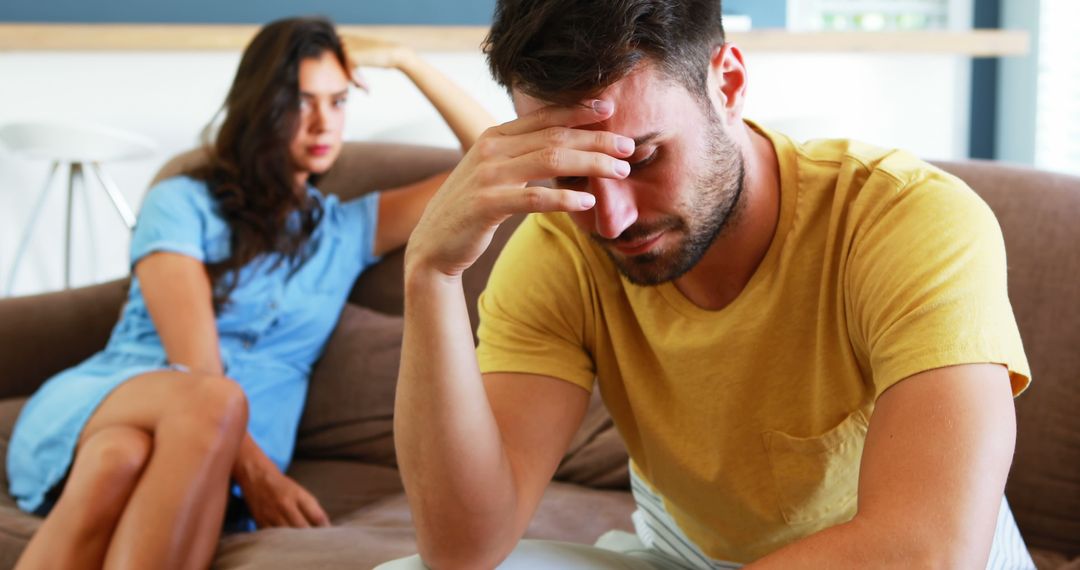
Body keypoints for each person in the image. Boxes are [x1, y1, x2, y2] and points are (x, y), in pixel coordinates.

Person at [384, 0, 1035, 568]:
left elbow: (928, 550)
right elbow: (463, 549)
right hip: (683, 555)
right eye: (575, 173)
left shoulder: (905, 220)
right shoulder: (560, 248)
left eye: (642, 158)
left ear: (728, 83)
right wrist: (431, 273)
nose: (611, 220)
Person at [6, 16, 493, 570]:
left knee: (119, 457)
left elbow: (494, 160)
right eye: (302, 102)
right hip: (111, 399)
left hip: (196, 451)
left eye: (338, 102)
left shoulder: (346, 230)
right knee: (208, 403)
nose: (323, 123)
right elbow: (196, 371)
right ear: (262, 105)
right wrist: (260, 474)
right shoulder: (181, 203)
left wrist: (407, 61)